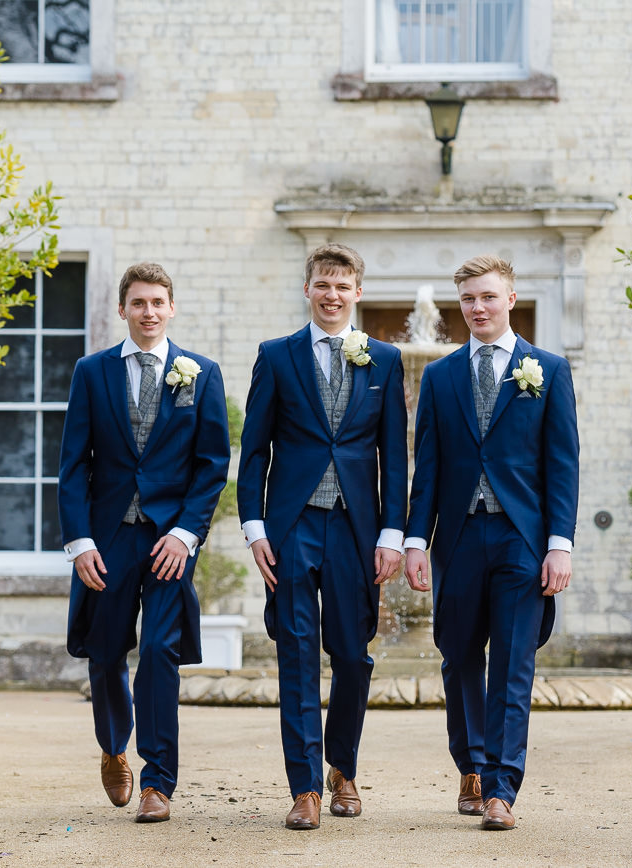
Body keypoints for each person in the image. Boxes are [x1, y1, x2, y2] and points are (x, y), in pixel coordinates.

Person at [403, 254, 579, 831]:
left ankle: (502, 786)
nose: (477, 308)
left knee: (512, 664)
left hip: (522, 538)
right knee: (458, 656)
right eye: (468, 300)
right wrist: (413, 541)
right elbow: (425, 465)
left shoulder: (547, 370)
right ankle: (471, 765)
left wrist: (560, 544)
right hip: (456, 537)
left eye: (487, 297)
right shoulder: (441, 375)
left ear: (509, 298)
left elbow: (562, 463)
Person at [237, 243, 407, 830]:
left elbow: (395, 457)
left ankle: (343, 767)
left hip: (358, 530)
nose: (332, 295)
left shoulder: (383, 359)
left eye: (342, 286)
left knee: (353, 657)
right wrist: (254, 526)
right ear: (307, 289)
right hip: (292, 527)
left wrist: (392, 531)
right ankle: (304, 787)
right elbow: (254, 448)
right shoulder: (276, 357)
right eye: (322, 285)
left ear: (358, 292)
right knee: (297, 655)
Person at [59, 262, 230, 824]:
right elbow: (72, 466)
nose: (149, 312)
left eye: (158, 302)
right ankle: (113, 747)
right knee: (107, 653)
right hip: (107, 540)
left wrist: (186, 533)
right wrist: (80, 541)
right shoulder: (92, 371)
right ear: (123, 309)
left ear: (172, 307)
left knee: (159, 651)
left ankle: (159, 780)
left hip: (168, 542)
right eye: (138, 303)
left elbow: (211, 465)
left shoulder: (200, 373)